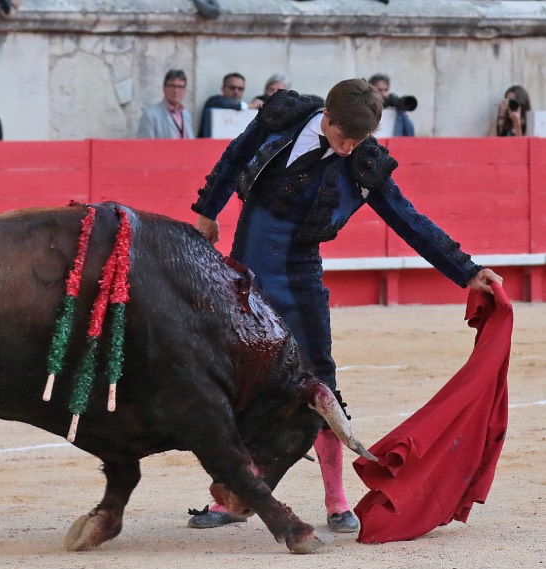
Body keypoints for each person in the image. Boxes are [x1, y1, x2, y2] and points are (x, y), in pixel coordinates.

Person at [186, 78, 503, 533]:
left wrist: (467, 270)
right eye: (343, 136)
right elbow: (235, 155)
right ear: (326, 117)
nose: (350, 147)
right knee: (238, 380)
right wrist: (207, 211)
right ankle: (234, 494)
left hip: (299, 278)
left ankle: (336, 498)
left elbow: (409, 221)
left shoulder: (364, 165)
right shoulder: (284, 118)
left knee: (320, 381)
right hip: (243, 271)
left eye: (359, 139)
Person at [197, 72, 261, 138]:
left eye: (240, 89)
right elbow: (224, 103)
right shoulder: (213, 101)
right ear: (223, 88)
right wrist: (249, 106)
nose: (236, 91)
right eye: (232, 88)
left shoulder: (245, 108)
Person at [136, 69, 194, 139]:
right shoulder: (150, 115)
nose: (176, 91)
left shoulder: (186, 115)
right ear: (164, 88)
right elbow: (145, 145)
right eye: (172, 86)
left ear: (185, 90)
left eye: (180, 87)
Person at [368, 73, 416, 137]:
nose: (384, 94)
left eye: (386, 90)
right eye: (379, 90)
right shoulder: (365, 108)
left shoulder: (397, 111)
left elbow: (409, 132)